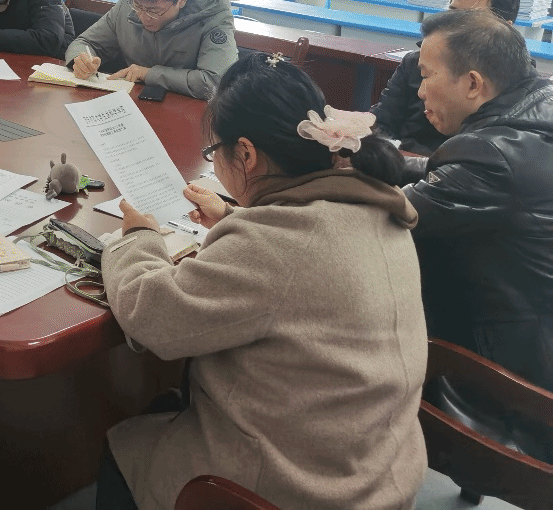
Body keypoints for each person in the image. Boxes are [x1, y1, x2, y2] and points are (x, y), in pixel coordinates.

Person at [97, 53, 426, 510]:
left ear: (246, 154)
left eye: (214, 152)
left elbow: (149, 313)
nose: (215, 162)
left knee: (125, 446)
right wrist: (234, 216)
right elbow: (303, 263)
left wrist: (137, 238)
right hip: (377, 466)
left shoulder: (274, 245)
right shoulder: (374, 205)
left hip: (298, 490)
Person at [400, 8, 553, 458]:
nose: (419, 89)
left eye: (426, 75)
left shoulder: (490, 155)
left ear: (472, 84)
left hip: (514, 378)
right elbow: (451, 174)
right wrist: (381, 161)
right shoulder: (535, 111)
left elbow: (393, 215)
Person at [371, 0, 521, 154]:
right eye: (452, 14)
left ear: (505, 27)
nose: (455, 26)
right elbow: (382, 122)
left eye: (471, 18)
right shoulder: (415, 63)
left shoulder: (516, 83)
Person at [65, 0, 236, 100]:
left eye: (154, 11)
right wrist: (80, 60)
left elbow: (215, 82)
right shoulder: (126, 5)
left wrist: (149, 74)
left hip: (188, 113)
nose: (143, 17)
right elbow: (85, 42)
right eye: (138, 6)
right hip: (135, 103)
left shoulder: (214, 16)